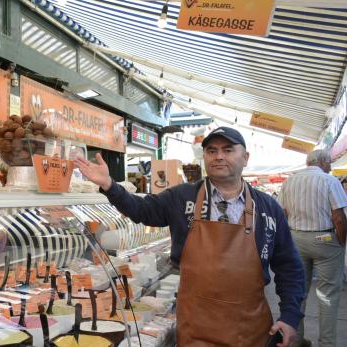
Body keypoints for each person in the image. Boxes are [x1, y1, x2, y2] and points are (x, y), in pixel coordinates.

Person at [75, 126, 306, 346]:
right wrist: (109, 185)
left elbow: (289, 266)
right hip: (195, 328)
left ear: (245, 158)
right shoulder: (182, 197)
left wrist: (290, 315)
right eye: (211, 151)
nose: (218, 156)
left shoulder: (267, 208)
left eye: (227, 150)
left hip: (248, 329)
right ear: (204, 157)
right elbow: (141, 210)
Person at [278, 150, 347, 347]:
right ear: (323, 162)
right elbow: (339, 218)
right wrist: (341, 242)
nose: (331, 167)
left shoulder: (289, 181)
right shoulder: (329, 181)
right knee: (328, 295)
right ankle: (326, 343)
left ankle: (296, 340)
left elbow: (282, 213)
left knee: (298, 291)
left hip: (296, 239)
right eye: (330, 163)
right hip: (325, 239)